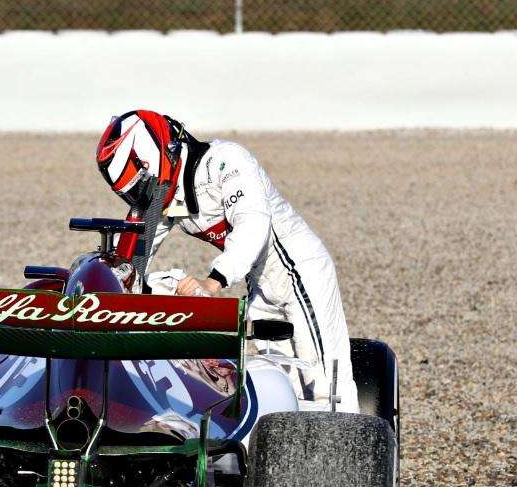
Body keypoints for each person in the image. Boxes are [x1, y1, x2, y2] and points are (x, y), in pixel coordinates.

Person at [95, 109, 358, 413]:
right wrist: (103, 283)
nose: (139, 196)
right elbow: (131, 259)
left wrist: (213, 281)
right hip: (260, 285)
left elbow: (253, 225)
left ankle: (355, 453)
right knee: (286, 393)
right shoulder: (164, 197)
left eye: (139, 185)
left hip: (301, 271)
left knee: (326, 385)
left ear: (155, 158)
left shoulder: (227, 162)